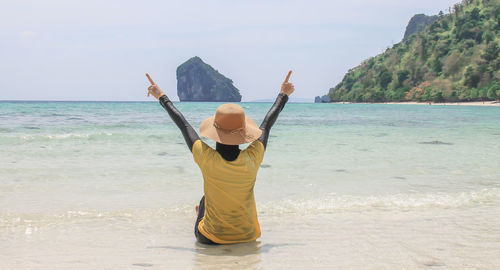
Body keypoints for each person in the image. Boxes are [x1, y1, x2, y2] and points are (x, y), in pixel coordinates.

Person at [146, 71, 294, 244]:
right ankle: (203, 210)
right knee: (211, 197)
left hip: (210, 239)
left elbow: (183, 125)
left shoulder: (205, 157)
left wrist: (161, 96)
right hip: (247, 236)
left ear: (215, 132)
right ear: (244, 133)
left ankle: (200, 213)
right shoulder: (254, 156)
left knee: (205, 198)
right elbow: (267, 125)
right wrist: (283, 94)